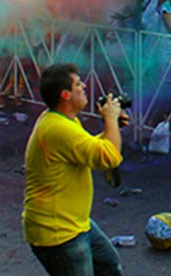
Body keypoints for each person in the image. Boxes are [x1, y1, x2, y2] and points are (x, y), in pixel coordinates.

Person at [23, 63, 126, 275]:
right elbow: (109, 157)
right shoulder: (58, 128)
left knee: (109, 266)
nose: (84, 86)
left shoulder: (64, 121)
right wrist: (110, 120)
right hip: (58, 233)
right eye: (78, 84)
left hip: (75, 222)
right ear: (65, 95)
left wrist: (113, 127)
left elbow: (90, 149)